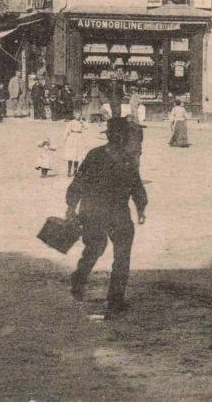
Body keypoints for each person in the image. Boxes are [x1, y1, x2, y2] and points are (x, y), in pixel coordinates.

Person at [66, 116, 148, 315]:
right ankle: (115, 301)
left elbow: (78, 182)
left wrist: (71, 207)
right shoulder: (128, 160)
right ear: (123, 137)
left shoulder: (94, 155)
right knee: (122, 256)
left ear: (109, 135)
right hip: (118, 213)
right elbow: (137, 187)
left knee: (94, 248)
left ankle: (78, 281)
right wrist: (141, 208)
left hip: (92, 211)